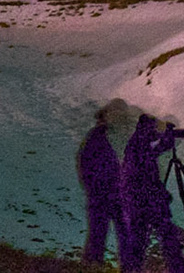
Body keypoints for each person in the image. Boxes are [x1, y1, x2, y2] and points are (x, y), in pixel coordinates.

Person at [118, 113, 184, 273]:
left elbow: (159, 148)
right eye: (153, 128)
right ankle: (178, 269)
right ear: (146, 128)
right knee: (166, 236)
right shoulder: (139, 145)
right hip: (146, 203)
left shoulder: (137, 144)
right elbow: (145, 175)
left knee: (139, 242)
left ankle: (131, 270)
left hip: (137, 203)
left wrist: (168, 138)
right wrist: (160, 195)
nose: (155, 132)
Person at [76, 102, 123, 264]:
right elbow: (86, 165)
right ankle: (93, 264)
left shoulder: (102, 136)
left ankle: (92, 264)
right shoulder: (100, 136)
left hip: (107, 193)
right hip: (105, 193)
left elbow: (83, 165)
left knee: (99, 233)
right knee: (102, 233)